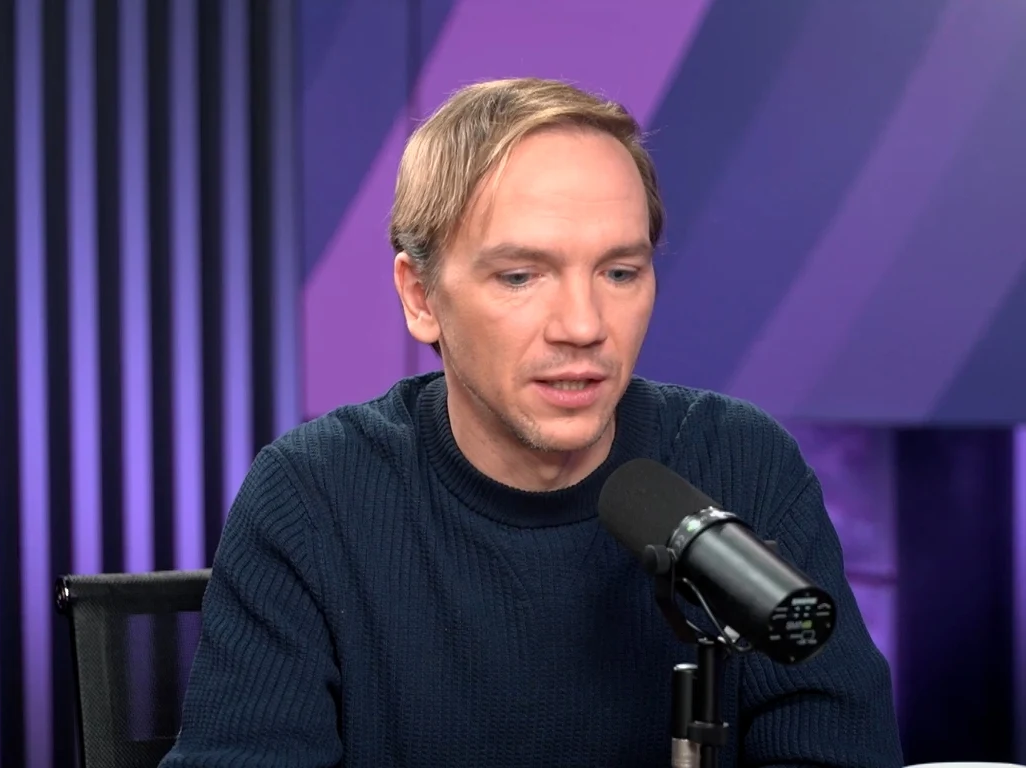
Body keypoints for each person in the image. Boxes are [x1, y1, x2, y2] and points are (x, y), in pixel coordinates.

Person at [160, 77, 903, 768]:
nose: (583, 326)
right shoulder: (312, 495)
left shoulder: (742, 463)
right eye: (520, 276)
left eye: (619, 272)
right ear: (420, 296)